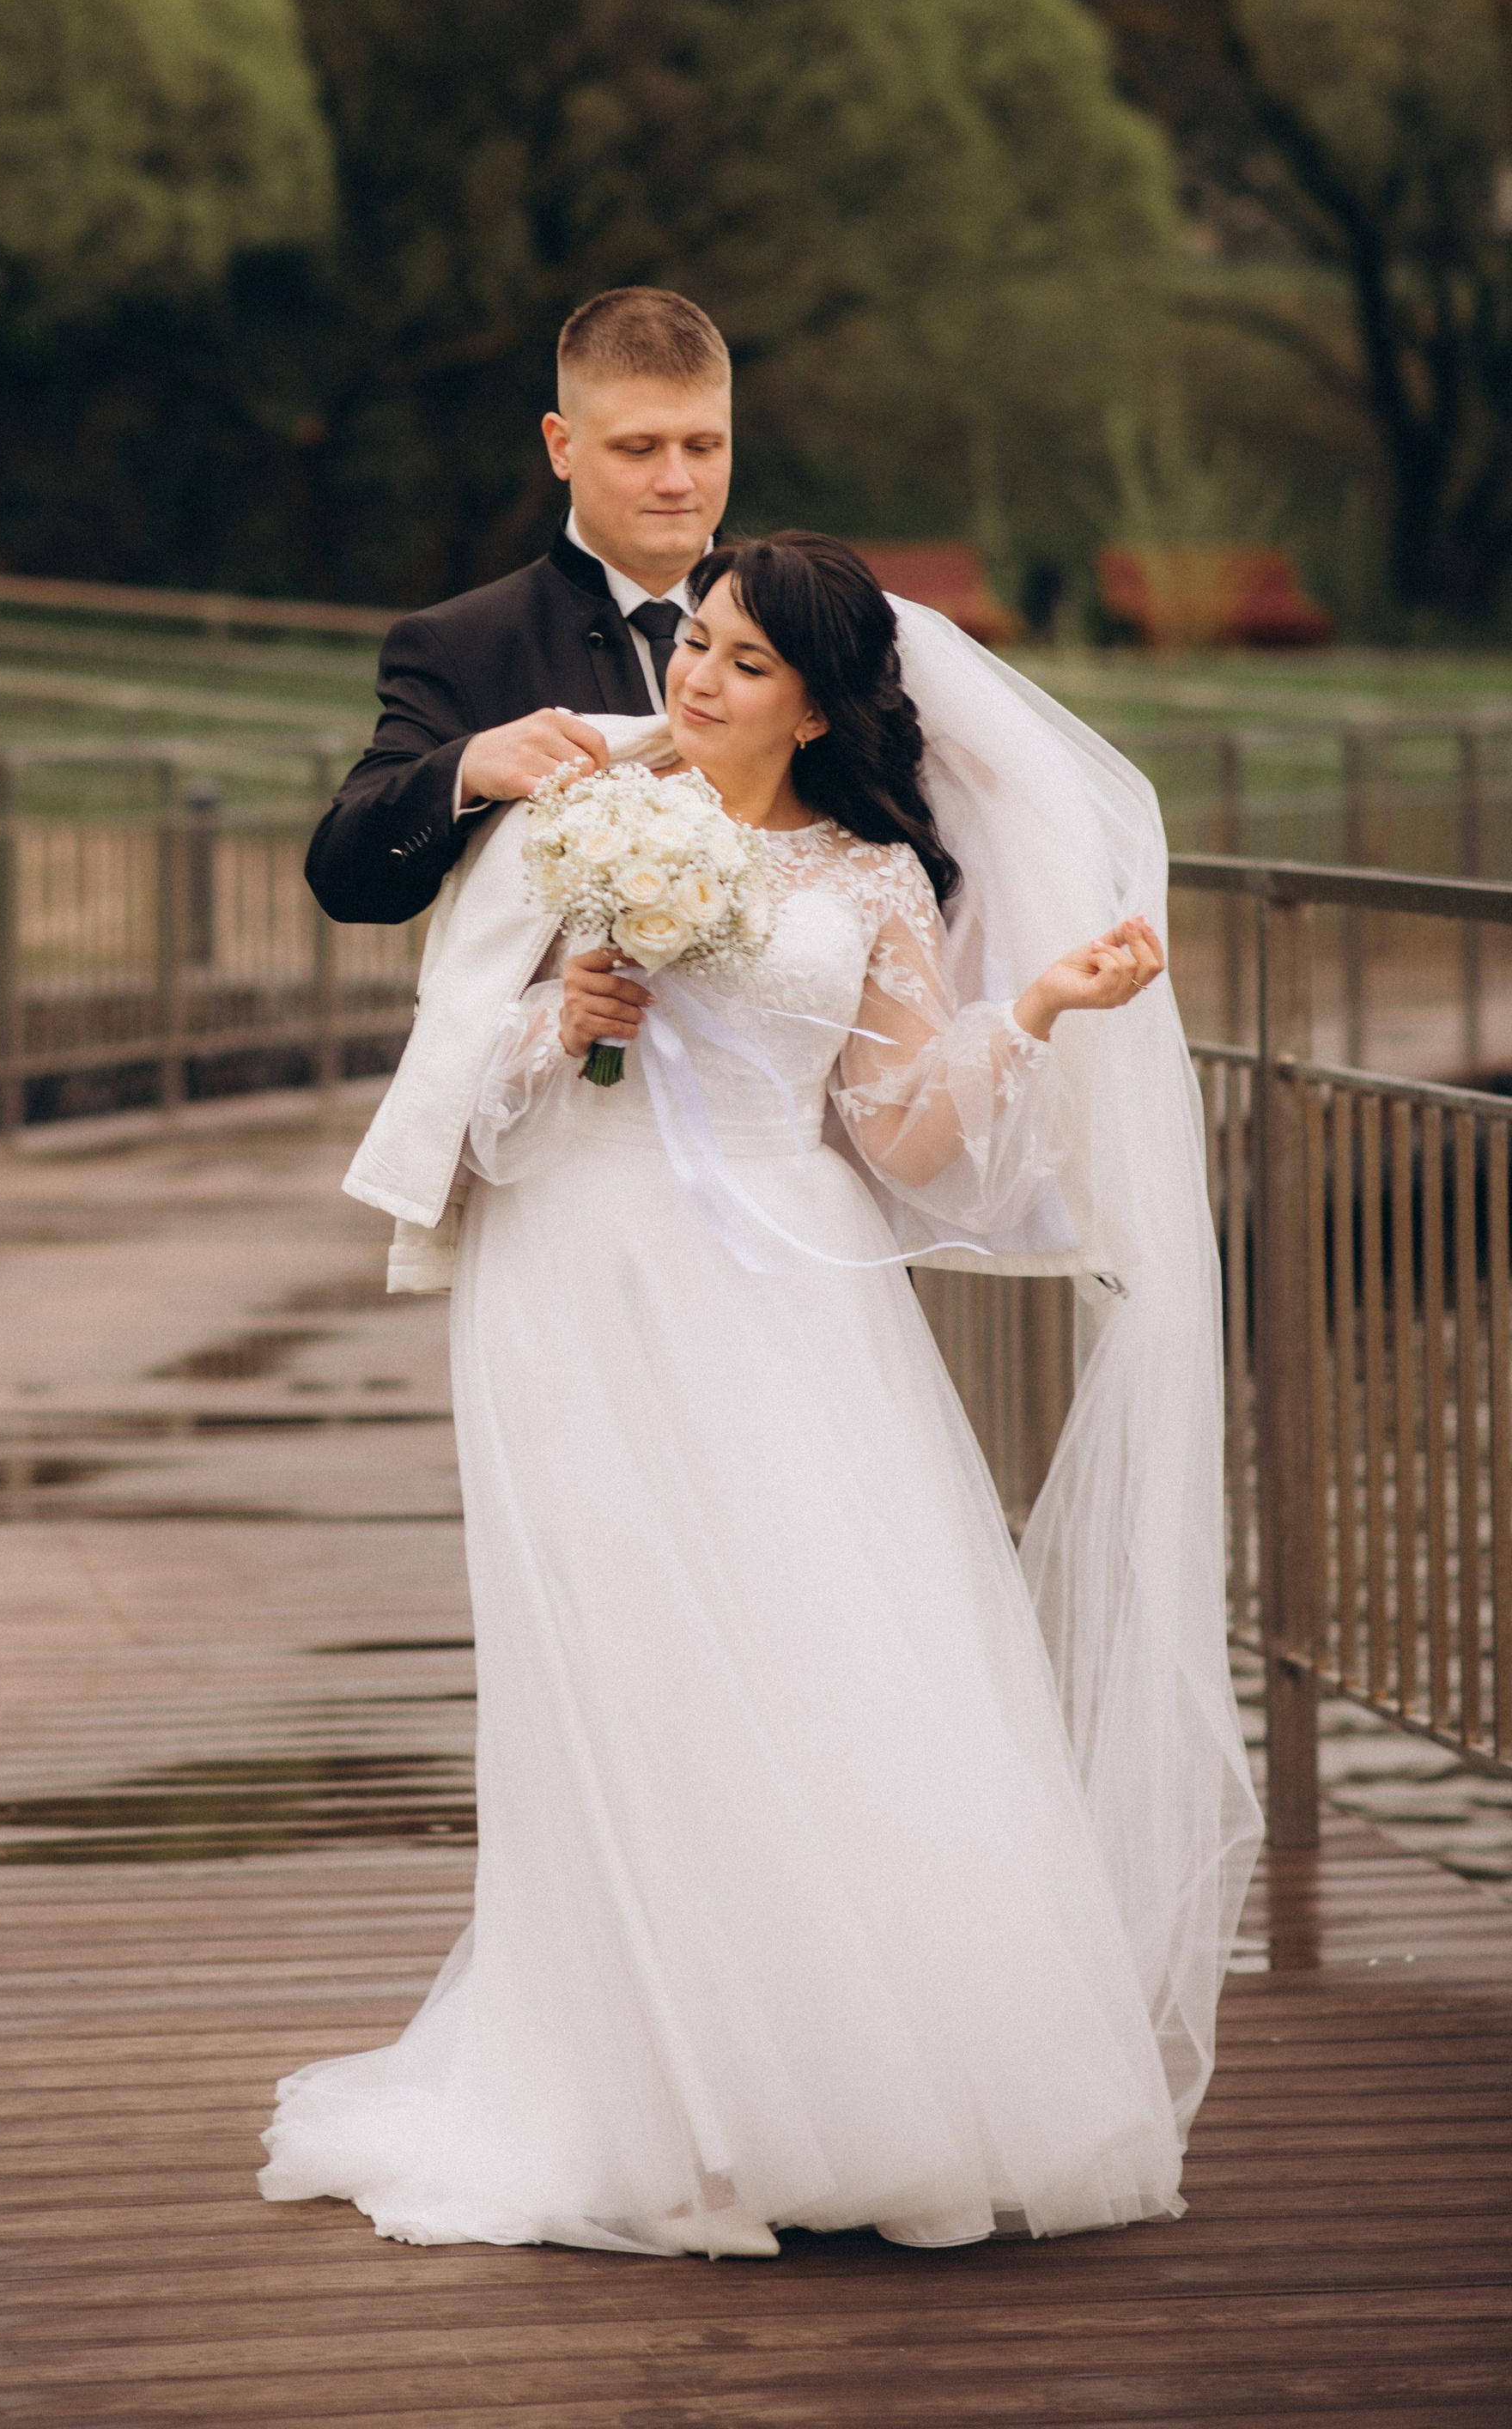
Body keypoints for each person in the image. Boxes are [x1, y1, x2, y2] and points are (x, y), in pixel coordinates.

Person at [261, 532, 1261, 2260]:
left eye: (734, 661)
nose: (692, 679)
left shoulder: (873, 879)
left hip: (782, 1292)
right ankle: (643, 2094)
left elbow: (893, 1140)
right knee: (607, 1657)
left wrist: (1028, 1006)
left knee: (813, 1644)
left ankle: (842, 2078)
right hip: (571, 1267)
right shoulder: (583, 823)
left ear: (808, 707)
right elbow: (474, 1079)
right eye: (695, 647)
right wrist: (552, 1017)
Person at [305, 288, 733, 928]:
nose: (676, 481)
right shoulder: (459, 645)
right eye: (638, 449)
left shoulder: (810, 622)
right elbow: (347, 882)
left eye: (703, 447)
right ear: (561, 447)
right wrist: (466, 770)